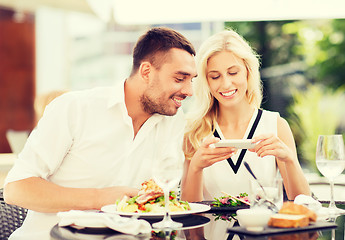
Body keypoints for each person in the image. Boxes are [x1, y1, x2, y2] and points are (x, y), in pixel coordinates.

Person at [4, 27, 197, 239]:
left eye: (192, 80)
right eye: (180, 79)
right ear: (146, 72)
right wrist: (99, 197)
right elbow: (17, 189)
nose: (189, 91)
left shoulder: (173, 121)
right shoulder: (74, 108)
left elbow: (158, 202)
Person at [181, 29, 310, 202]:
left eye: (233, 73)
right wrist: (196, 167)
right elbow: (188, 211)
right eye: (215, 76)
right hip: (209, 230)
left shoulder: (276, 125)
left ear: (248, 72)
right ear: (206, 81)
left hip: (261, 228)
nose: (226, 84)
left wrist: (290, 160)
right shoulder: (195, 130)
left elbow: (303, 202)